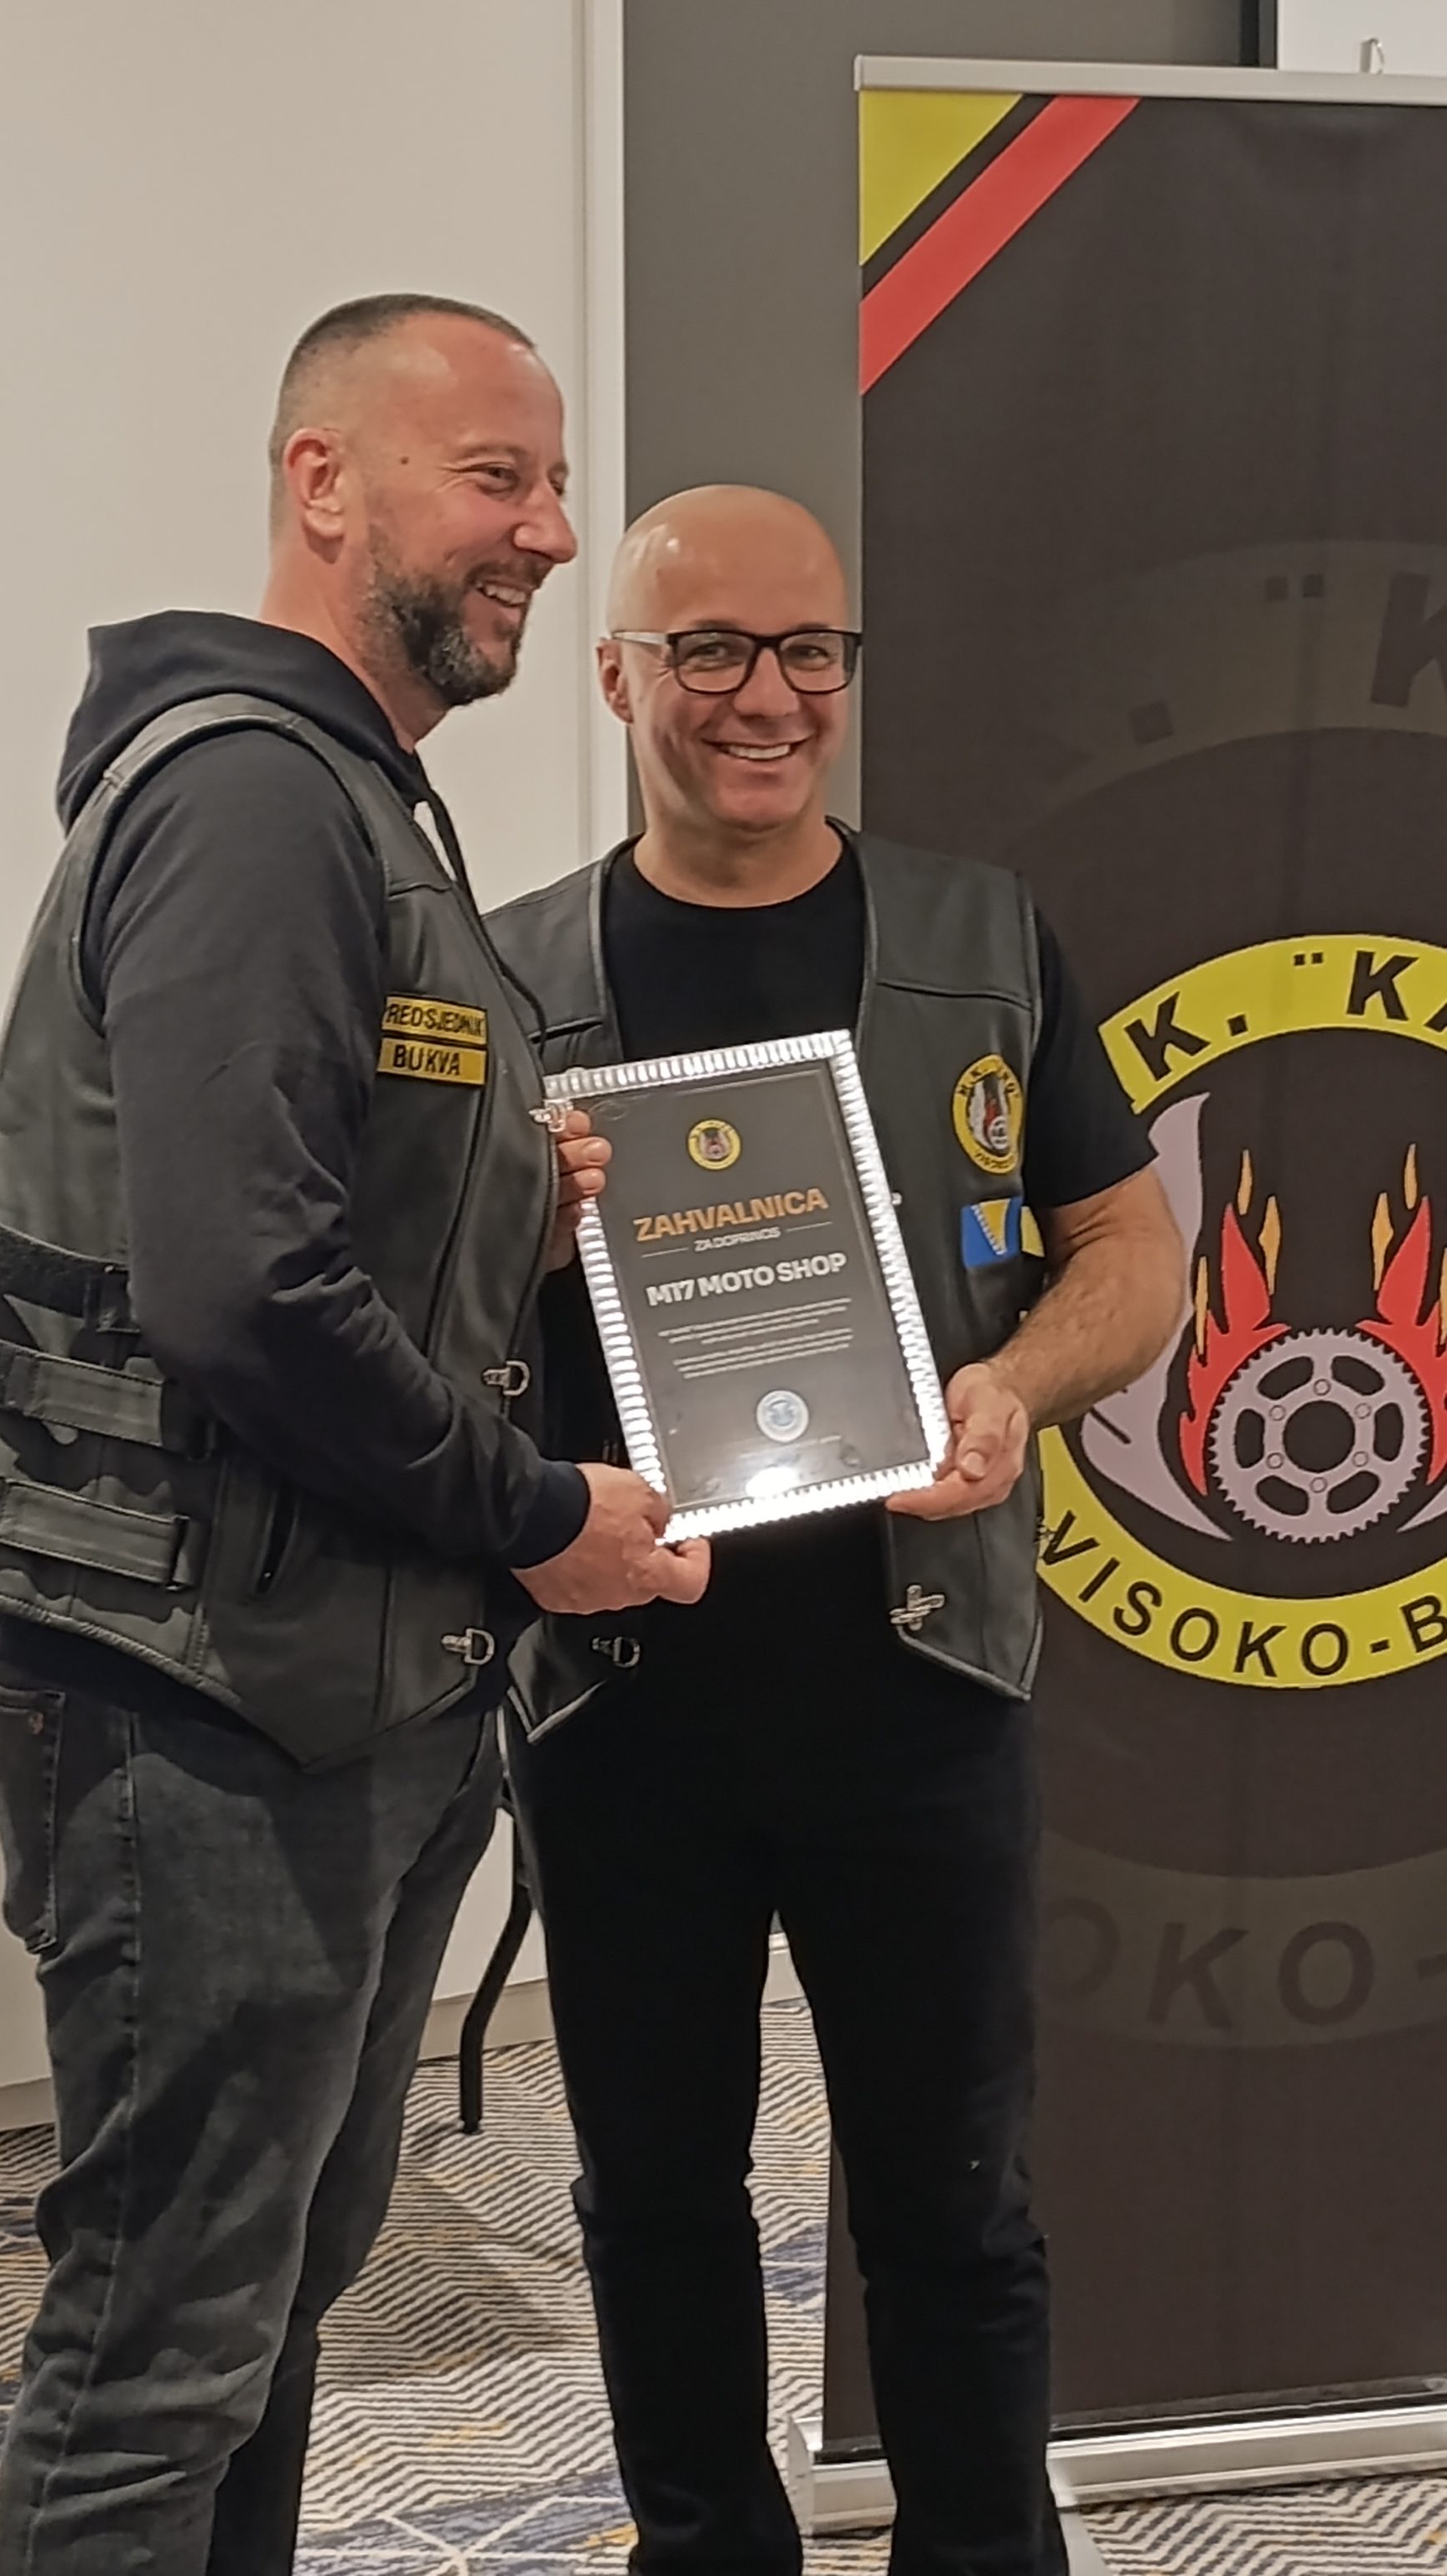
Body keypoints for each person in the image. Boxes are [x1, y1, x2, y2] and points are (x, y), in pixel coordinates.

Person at [0, 293, 708, 2576]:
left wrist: (506, 1210)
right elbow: (237, 1288)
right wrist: (541, 1513)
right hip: (203, 1719)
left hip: (343, 1698)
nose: (547, 529)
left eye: (553, 483)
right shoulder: (256, 795)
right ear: (324, 482)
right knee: (163, 2357)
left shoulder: (362, 799)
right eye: (497, 476)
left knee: (260, 2327)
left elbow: (308, 1212)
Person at [489, 485, 1186, 2576]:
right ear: (616, 675)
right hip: (624, 1692)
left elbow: (1130, 1250)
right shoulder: (503, 975)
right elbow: (397, 1316)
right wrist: (523, 1252)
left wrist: (1015, 1386)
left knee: (956, 2204)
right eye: (707, 649)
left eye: (810, 649)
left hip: (921, 1683)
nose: (765, 696)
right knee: (655, 2198)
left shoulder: (986, 938)